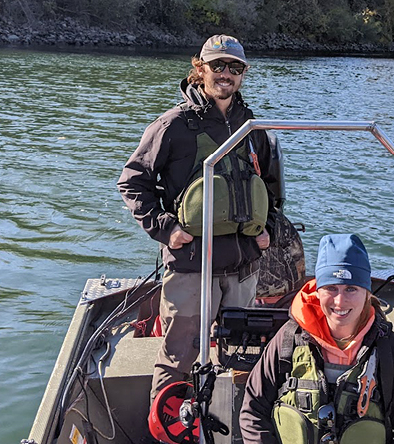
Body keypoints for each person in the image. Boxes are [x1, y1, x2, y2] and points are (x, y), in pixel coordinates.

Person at [117, 34, 278, 404]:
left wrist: (267, 229)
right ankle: (169, 429)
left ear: (243, 74)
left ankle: (236, 427)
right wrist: (166, 229)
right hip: (192, 267)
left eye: (234, 67)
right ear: (199, 68)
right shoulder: (172, 125)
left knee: (241, 357)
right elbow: (132, 182)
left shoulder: (252, 128)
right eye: (217, 65)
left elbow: (270, 187)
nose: (226, 74)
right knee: (178, 359)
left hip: (243, 266)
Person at [240, 234, 394, 444]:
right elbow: (253, 412)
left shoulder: (391, 352)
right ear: (317, 290)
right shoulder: (288, 339)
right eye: (331, 288)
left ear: (367, 293)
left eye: (351, 289)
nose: (340, 301)